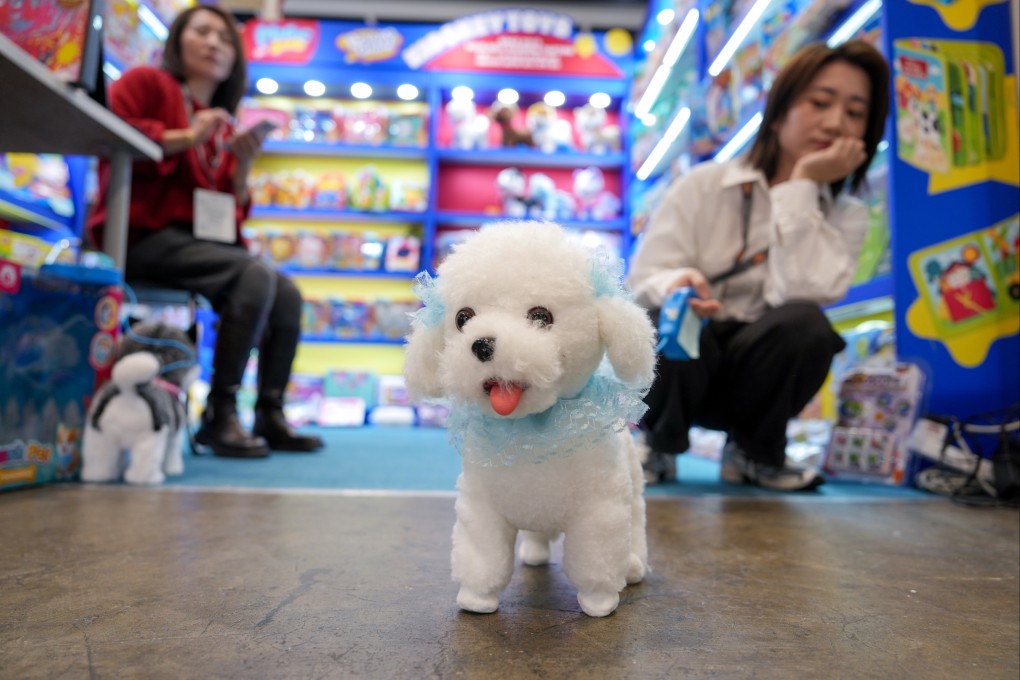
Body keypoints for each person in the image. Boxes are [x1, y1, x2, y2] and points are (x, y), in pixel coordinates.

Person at [627, 40, 890, 491]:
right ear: (780, 108)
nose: (834, 123)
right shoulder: (705, 184)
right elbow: (641, 280)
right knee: (660, 313)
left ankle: (754, 451)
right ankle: (660, 445)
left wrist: (803, 184)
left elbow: (804, 293)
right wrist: (679, 282)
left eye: (854, 113)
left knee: (806, 324)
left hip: (760, 376)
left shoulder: (847, 214)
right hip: (687, 363)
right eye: (820, 102)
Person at [89, 5, 324, 458]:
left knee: (287, 292)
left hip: (198, 248)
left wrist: (243, 169)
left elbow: (228, 220)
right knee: (253, 274)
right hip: (140, 237)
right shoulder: (148, 83)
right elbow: (115, 132)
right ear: (178, 40)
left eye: (225, 39)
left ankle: (270, 412)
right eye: (202, 32)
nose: (215, 43)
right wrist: (185, 136)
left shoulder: (224, 125)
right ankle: (221, 413)